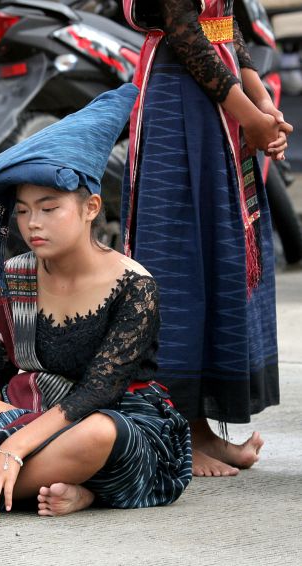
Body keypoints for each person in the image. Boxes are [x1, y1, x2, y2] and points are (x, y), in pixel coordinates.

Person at [0, 85, 192, 519]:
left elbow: (96, 393)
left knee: (97, 437)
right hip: (24, 415)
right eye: (24, 210)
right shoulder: (16, 276)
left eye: (50, 208)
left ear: (90, 208)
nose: (34, 223)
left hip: (112, 422)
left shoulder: (133, 285)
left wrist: (13, 446)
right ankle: (66, 489)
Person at [122, 0, 293, 476]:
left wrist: (259, 100)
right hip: (182, 99)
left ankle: (204, 430)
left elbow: (226, 23)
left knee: (216, 254)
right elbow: (186, 35)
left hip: (220, 94)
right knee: (180, 263)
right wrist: (249, 113)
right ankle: (180, 433)